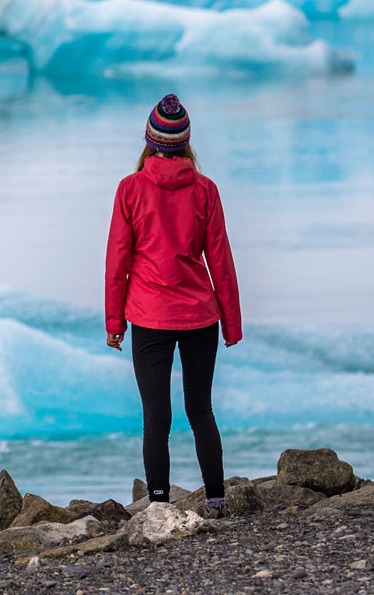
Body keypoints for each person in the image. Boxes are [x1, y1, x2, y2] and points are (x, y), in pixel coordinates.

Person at [104, 93, 241, 519]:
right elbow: (220, 258)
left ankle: (160, 504)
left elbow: (117, 261)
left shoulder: (130, 189)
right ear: (185, 143)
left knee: (156, 415)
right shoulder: (205, 190)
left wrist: (114, 322)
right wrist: (231, 324)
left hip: (149, 315)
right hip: (200, 314)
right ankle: (215, 498)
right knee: (200, 409)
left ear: (149, 141)